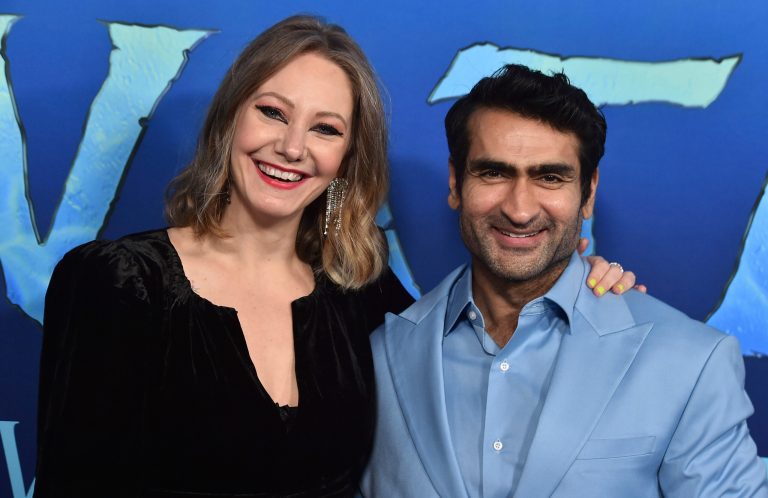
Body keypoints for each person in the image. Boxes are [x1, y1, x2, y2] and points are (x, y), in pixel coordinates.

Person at [34, 16, 636, 498]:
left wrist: (578, 286)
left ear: (348, 156)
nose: (291, 147)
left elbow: (484, 354)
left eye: (325, 129)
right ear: (229, 119)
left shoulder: (360, 292)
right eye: (272, 112)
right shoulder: (115, 283)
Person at [360, 64, 768, 497]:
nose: (519, 209)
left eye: (549, 177)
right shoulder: (379, 354)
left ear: (588, 193)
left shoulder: (688, 361)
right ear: (456, 182)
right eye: (493, 173)